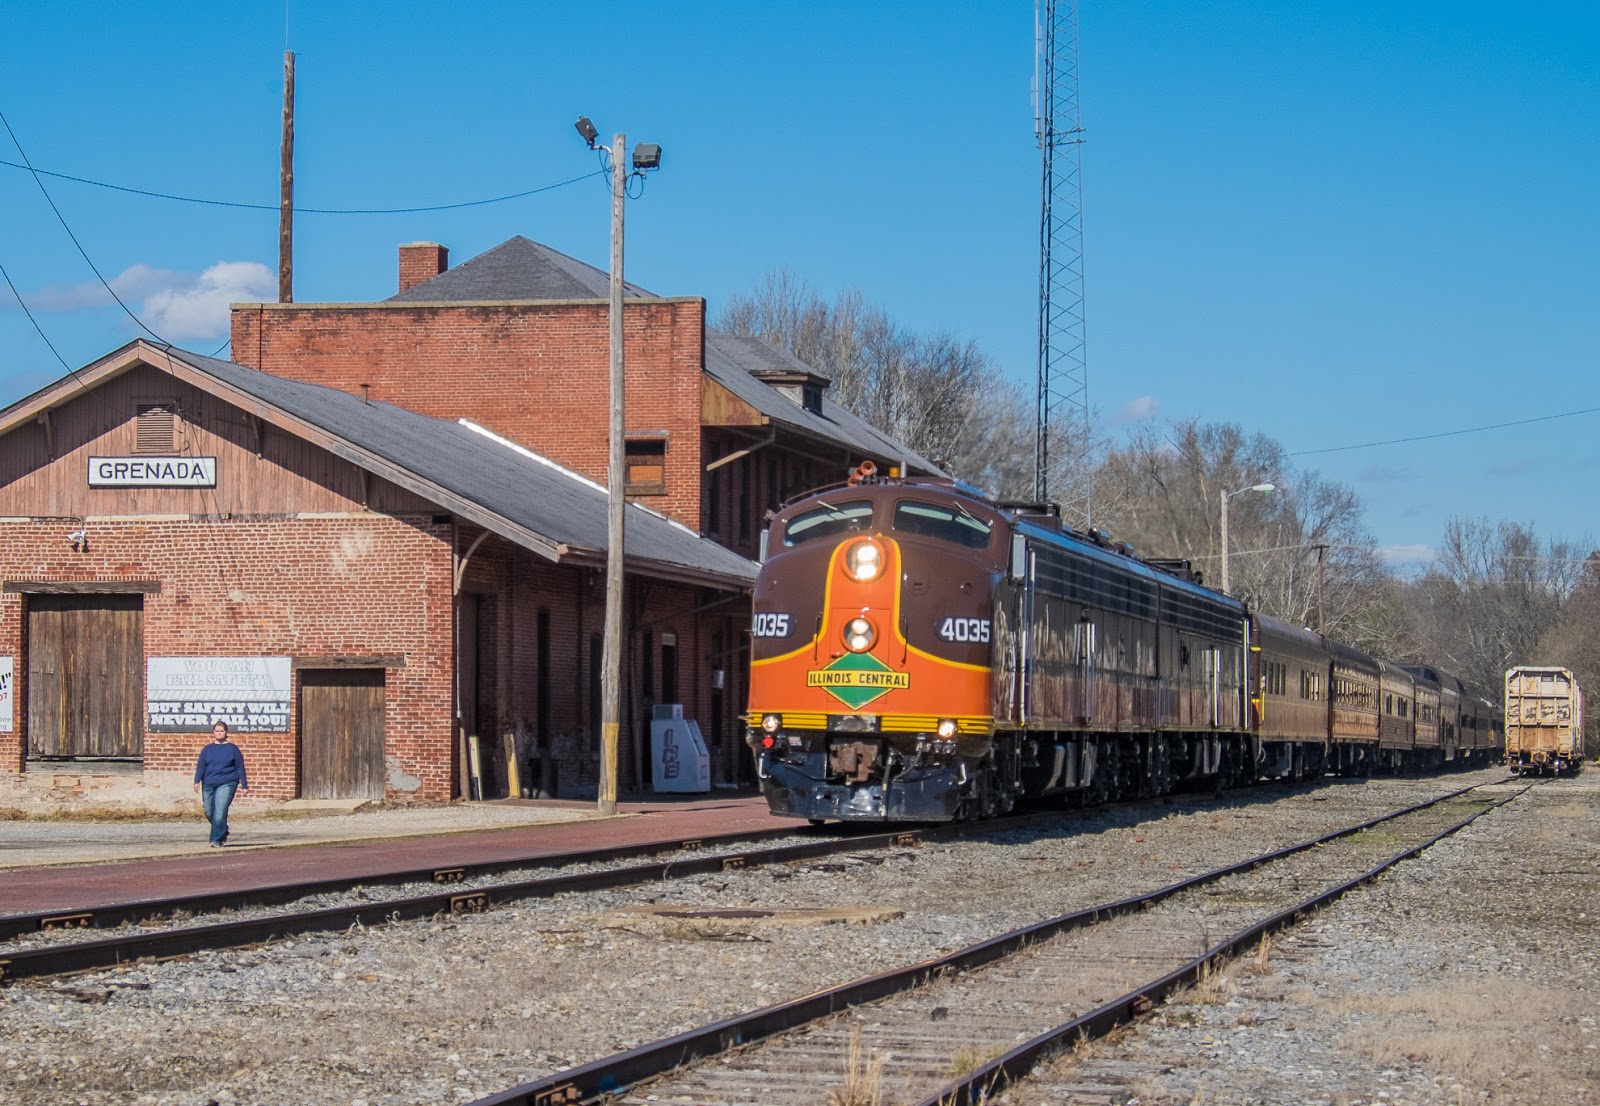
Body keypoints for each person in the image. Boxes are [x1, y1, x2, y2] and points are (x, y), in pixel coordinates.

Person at [193, 720, 248, 847]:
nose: (219, 733)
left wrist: (244, 785)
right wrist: (197, 781)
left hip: (227, 782)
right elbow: (201, 766)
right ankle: (222, 829)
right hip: (208, 783)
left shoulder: (233, 749)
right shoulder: (207, 749)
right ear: (213, 732)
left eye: (222, 731)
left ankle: (216, 840)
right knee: (209, 811)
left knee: (219, 811)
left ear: (226, 732)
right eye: (217, 731)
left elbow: (240, 767)